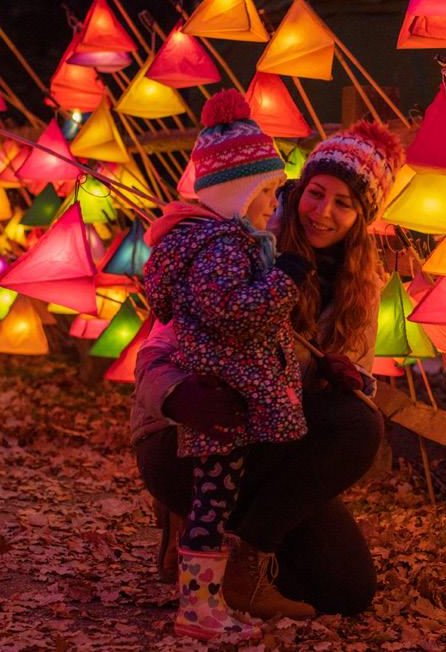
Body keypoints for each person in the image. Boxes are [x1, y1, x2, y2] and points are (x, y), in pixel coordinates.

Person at [131, 119, 403, 624]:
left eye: (344, 203)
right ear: (298, 189)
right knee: (355, 425)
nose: (323, 212)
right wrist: (179, 394)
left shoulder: (360, 288)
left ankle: (245, 553)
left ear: (362, 217)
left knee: (347, 589)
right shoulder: (245, 241)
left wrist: (346, 377)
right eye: (316, 193)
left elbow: (355, 387)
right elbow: (155, 351)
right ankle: (194, 524)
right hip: (193, 433)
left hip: (273, 445)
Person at [141, 89, 315, 641]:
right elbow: (235, 314)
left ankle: (205, 602)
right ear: (241, 193)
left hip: (228, 392)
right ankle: (198, 610)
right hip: (224, 397)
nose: (275, 203)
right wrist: (286, 277)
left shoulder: (217, 243)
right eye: (268, 191)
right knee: (212, 504)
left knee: (214, 502)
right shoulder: (223, 248)